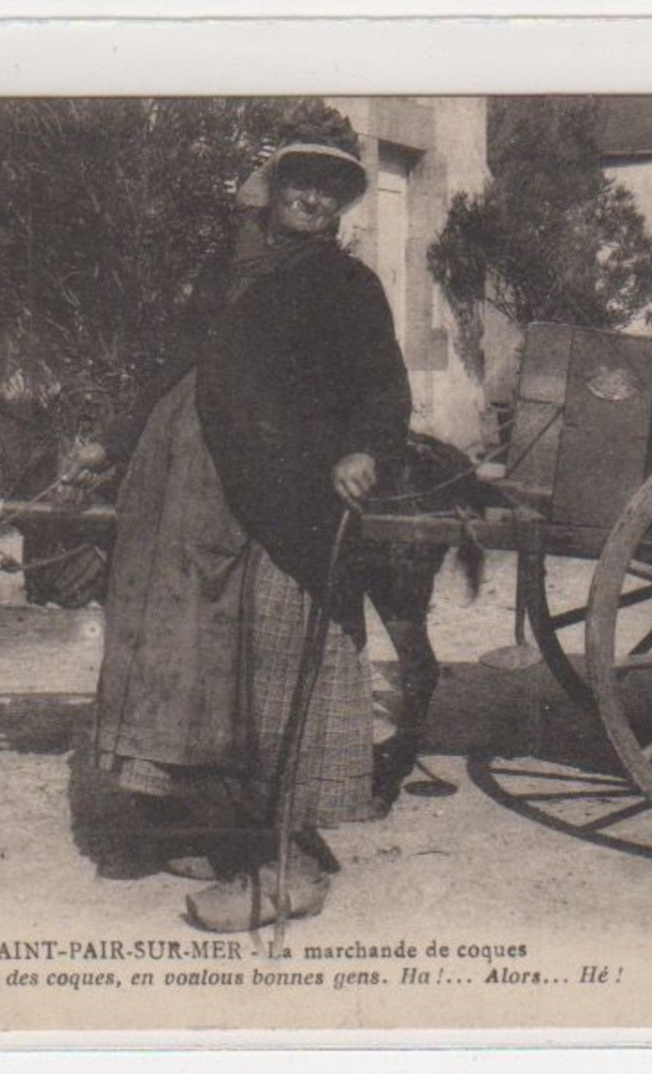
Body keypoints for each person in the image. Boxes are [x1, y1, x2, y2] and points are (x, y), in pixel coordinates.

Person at [81, 120, 412, 932]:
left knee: (273, 657)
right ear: (272, 189)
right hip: (187, 493)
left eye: (330, 190)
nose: (313, 197)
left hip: (282, 494)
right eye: (301, 181)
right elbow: (175, 361)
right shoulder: (228, 271)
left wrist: (364, 449)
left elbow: (380, 382)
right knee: (192, 653)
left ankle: (287, 864)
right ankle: (218, 825)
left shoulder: (346, 284)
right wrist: (118, 438)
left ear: (339, 206)